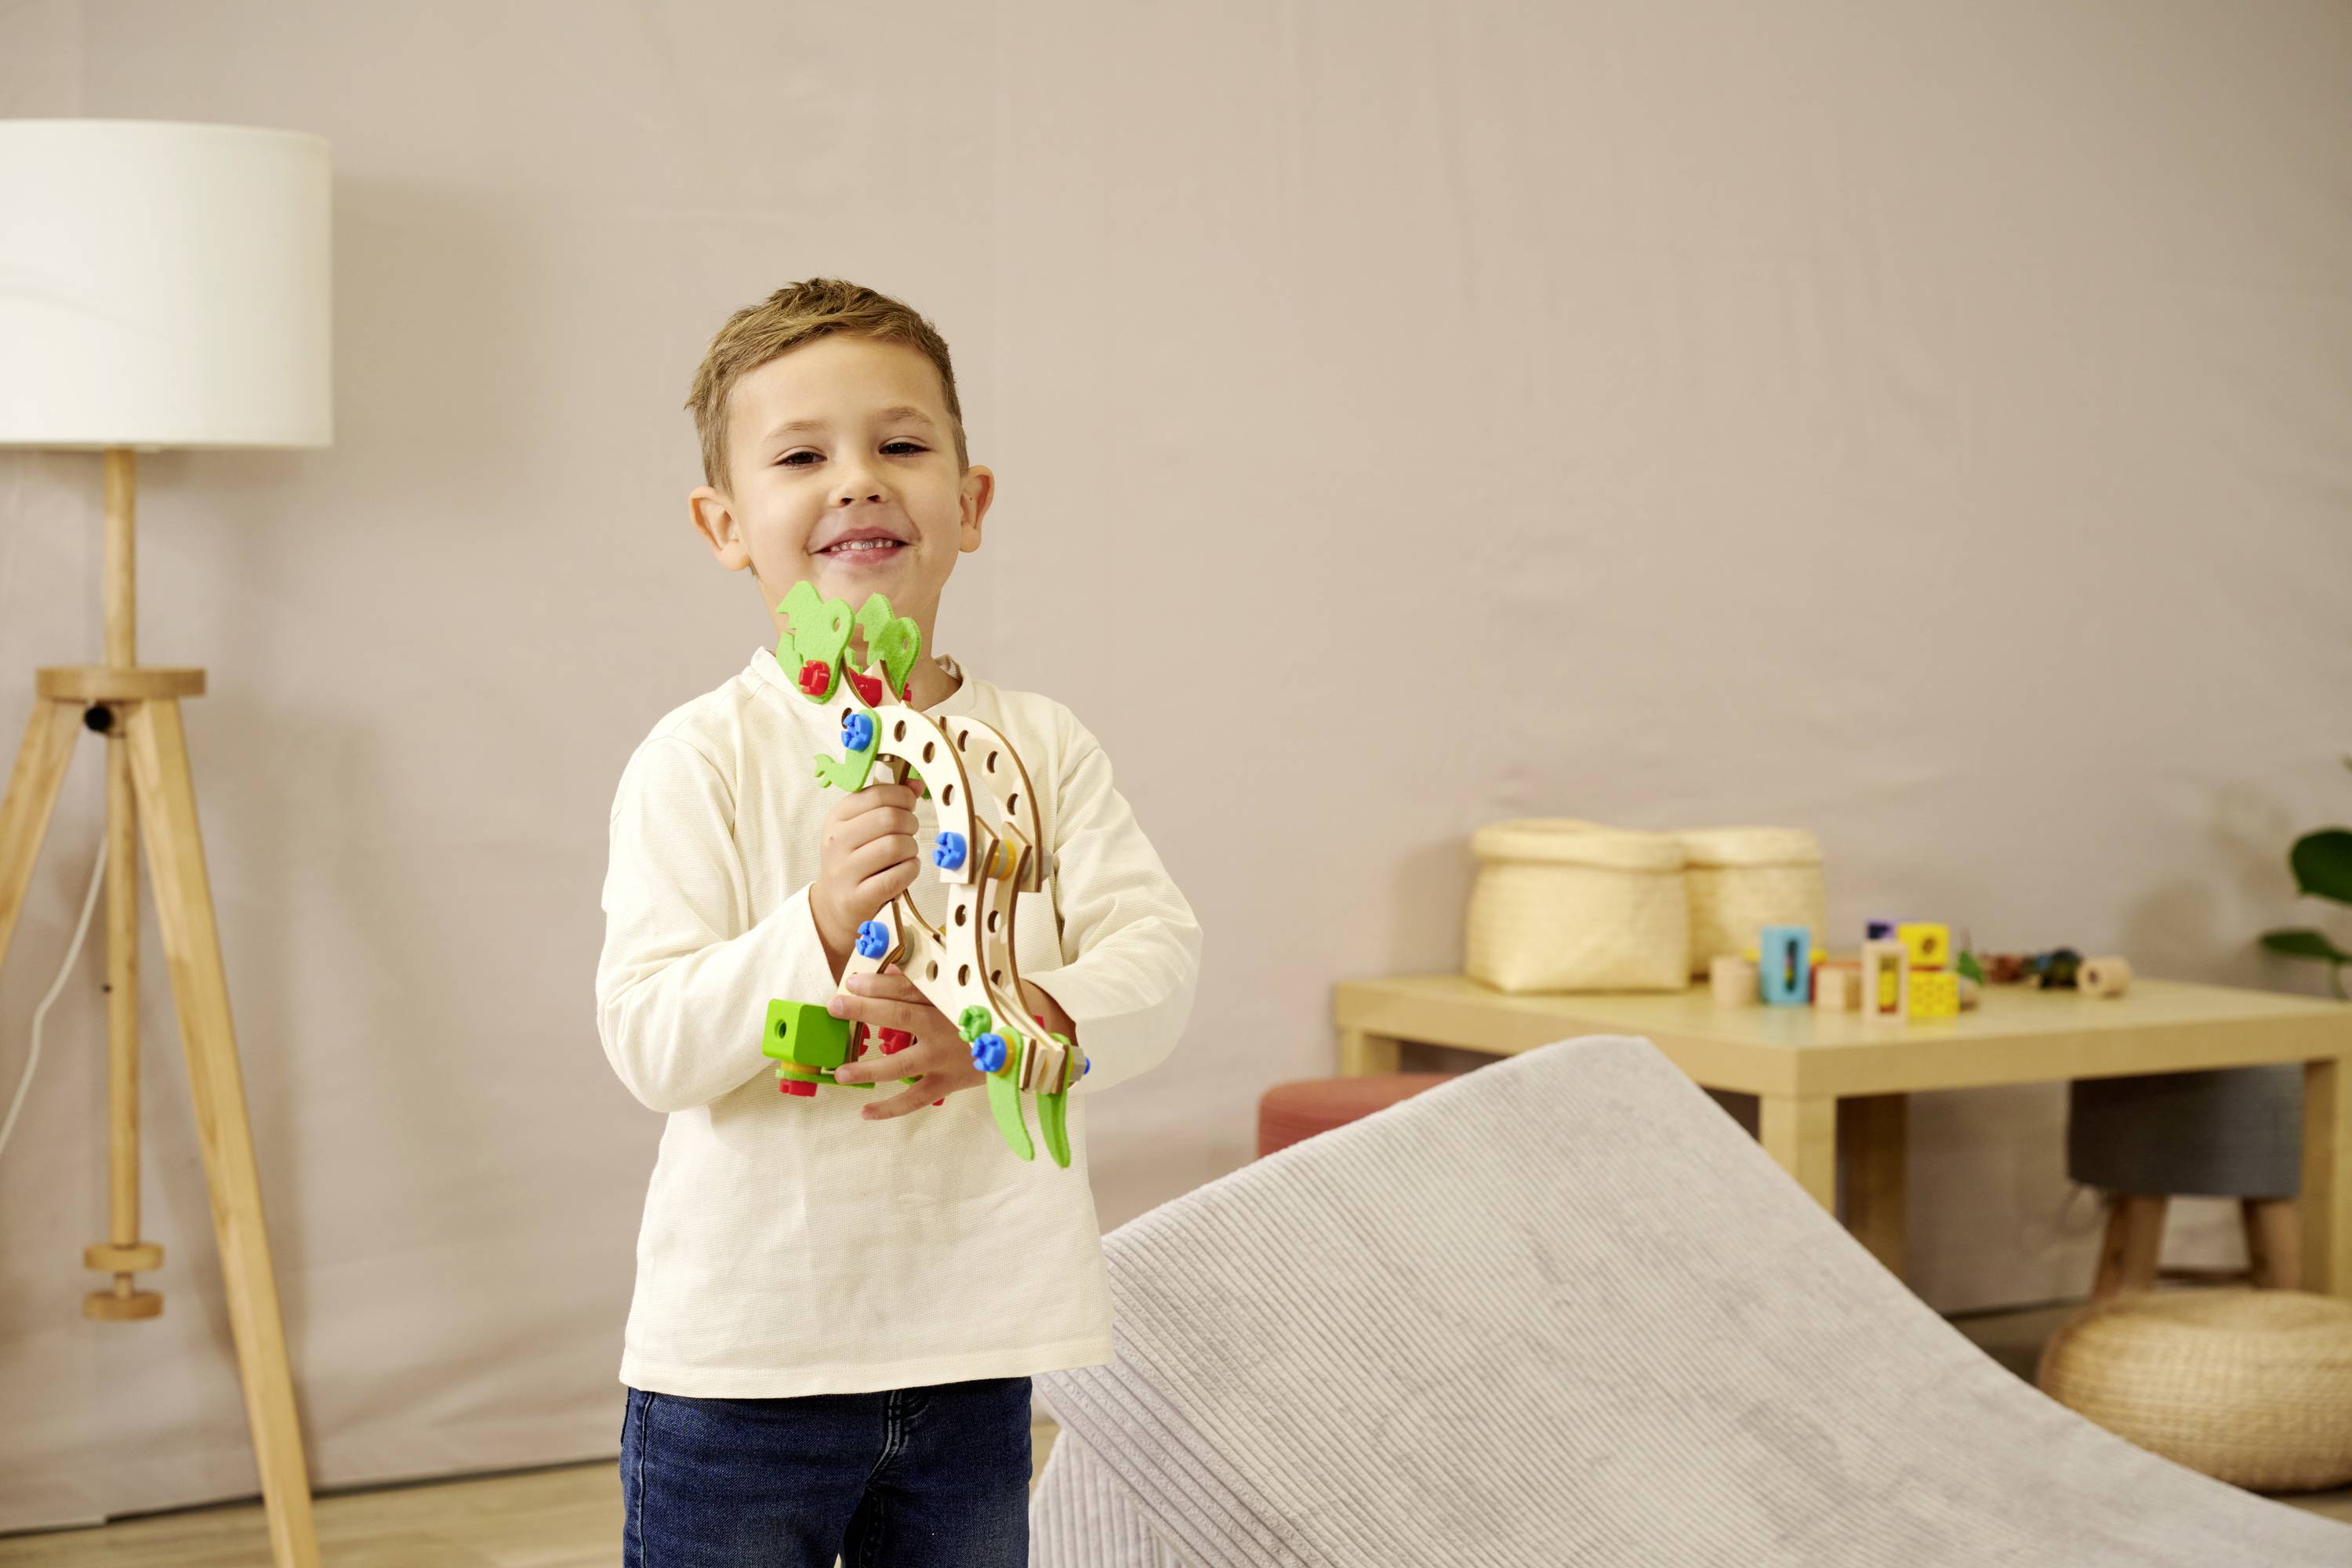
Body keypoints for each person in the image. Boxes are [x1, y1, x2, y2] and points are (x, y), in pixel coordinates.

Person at [596, 278, 1201, 1565]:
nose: (859, 480)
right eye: (803, 454)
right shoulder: (698, 758)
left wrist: (1016, 1024)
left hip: (979, 1341)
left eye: (903, 446)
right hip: (743, 1363)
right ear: (725, 523)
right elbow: (650, 1041)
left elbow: (1158, 962)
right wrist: (813, 925)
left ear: (970, 504)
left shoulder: (1043, 745)